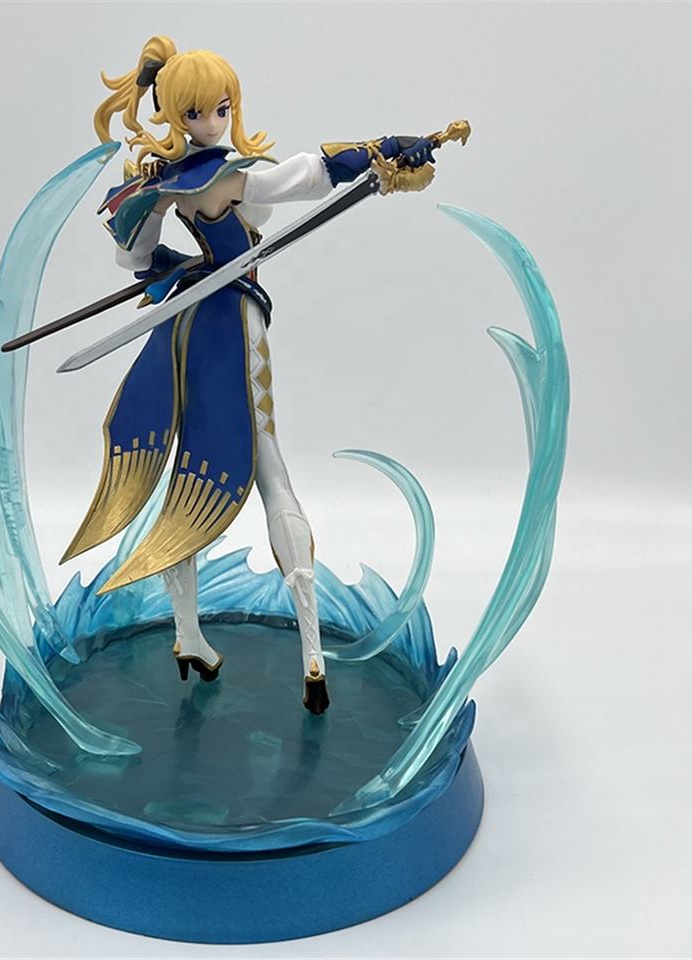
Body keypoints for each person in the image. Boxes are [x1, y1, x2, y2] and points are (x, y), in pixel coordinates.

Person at [60, 35, 435, 714]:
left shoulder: (157, 187)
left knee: (187, 464)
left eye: (222, 109)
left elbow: (135, 263)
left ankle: (189, 635)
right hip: (233, 323)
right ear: (176, 115)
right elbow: (312, 174)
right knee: (268, 466)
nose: (213, 122)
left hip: (182, 326)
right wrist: (380, 148)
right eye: (199, 112)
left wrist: (176, 260)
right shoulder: (231, 177)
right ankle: (310, 650)